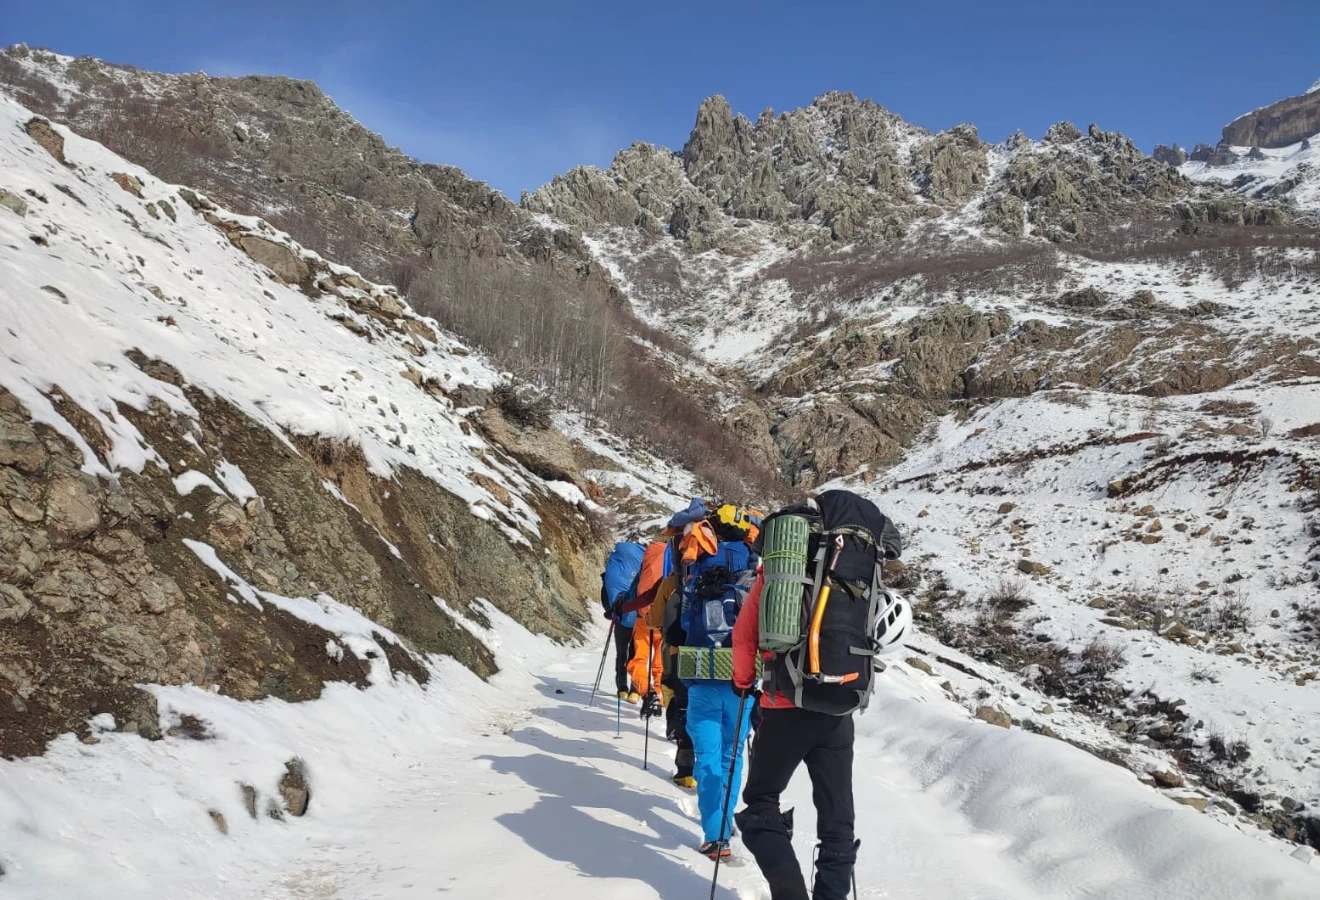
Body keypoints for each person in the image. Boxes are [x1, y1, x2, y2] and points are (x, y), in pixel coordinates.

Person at [731, 490, 904, 900]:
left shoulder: (781, 577)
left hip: (785, 707)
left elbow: (744, 636)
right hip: (840, 708)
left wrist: (742, 683)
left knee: (760, 802)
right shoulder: (860, 576)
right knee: (837, 822)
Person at [671, 505, 760, 861]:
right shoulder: (755, 570)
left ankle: (716, 834)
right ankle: (724, 818)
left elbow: (677, 625)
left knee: (707, 755)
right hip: (741, 681)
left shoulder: (696, 568)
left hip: (702, 676)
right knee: (731, 755)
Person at [600, 540, 646, 702]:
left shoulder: (613, 570)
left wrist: (610, 610)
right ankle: (635, 690)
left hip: (620, 616)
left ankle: (622, 688)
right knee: (636, 653)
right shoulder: (643, 565)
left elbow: (606, 593)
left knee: (621, 652)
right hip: (639, 618)